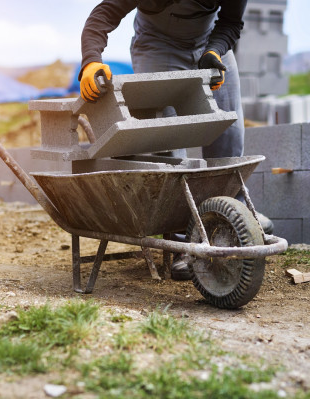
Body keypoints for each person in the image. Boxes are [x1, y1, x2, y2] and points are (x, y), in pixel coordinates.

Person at [79, 0, 273, 280]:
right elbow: (104, 14)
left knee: (228, 134)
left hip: (209, 46)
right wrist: (91, 60)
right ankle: (187, 241)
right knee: (169, 145)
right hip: (158, 47)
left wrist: (214, 52)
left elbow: (231, 22)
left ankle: (230, 219)